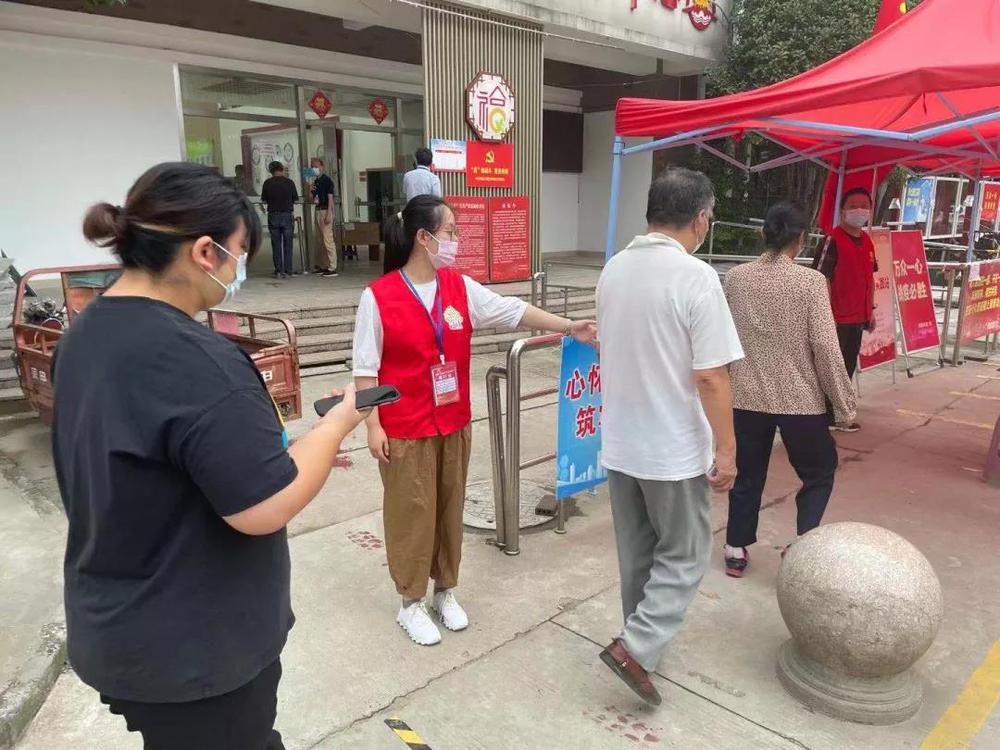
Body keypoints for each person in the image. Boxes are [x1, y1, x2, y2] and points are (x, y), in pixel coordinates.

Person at [51, 162, 366, 750]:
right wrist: (336, 426)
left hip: (116, 624)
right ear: (204, 252)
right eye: (239, 253)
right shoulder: (197, 361)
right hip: (193, 652)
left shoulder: (85, 334)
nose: (239, 269)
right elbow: (264, 506)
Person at [352, 194, 596, 647]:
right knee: (411, 514)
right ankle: (410, 601)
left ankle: (445, 590)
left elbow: (512, 310)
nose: (456, 239)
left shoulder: (458, 287)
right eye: (450, 231)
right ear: (423, 238)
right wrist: (373, 425)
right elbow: (366, 369)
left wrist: (567, 326)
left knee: (449, 509)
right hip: (405, 428)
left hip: (453, 422)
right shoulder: (378, 297)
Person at [596, 168, 744, 706]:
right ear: (700, 218)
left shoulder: (614, 269)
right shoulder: (695, 277)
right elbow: (711, 376)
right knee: (684, 554)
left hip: (621, 442)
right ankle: (636, 647)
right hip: (671, 447)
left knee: (638, 553)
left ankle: (640, 645)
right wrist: (727, 449)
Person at [722, 202, 858, 578]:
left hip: (746, 395)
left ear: (763, 233)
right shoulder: (810, 282)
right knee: (820, 472)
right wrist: (844, 404)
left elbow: (725, 336)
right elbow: (826, 347)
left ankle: (735, 547)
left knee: (747, 474)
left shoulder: (736, 278)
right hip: (800, 399)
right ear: (801, 240)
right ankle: (803, 543)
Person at [812, 186, 877, 431]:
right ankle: (824, 415)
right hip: (835, 318)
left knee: (847, 365)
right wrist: (824, 314)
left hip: (857, 317)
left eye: (864, 206)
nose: (859, 210)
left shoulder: (867, 241)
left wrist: (870, 312)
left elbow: (869, 278)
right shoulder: (832, 240)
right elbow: (820, 278)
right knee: (829, 367)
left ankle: (837, 413)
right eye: (853, 206)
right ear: (842, 211)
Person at [260, 161, 299, 278]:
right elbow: (295, 199)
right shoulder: (289, 183)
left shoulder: (267, 183)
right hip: (286, 214)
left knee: (276, 244)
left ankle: (278, 270)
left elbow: (264, 199)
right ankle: (288, 270)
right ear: (281, 169)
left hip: (273, 215)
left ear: (271, 171)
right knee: (288, 244)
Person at [309, 157, 338, 277]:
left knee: (327, 239)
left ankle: (332, 266)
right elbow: (311, 200)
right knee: (320, 240)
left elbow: (330, 198)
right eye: (313, 167)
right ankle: (323, 265)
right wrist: (309, 190)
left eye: (316, 166)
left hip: (325, 210)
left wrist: (329, 213)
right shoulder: (315, 182)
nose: (315, 169)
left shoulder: (327, 180)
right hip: (318, 210)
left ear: (322, 167)